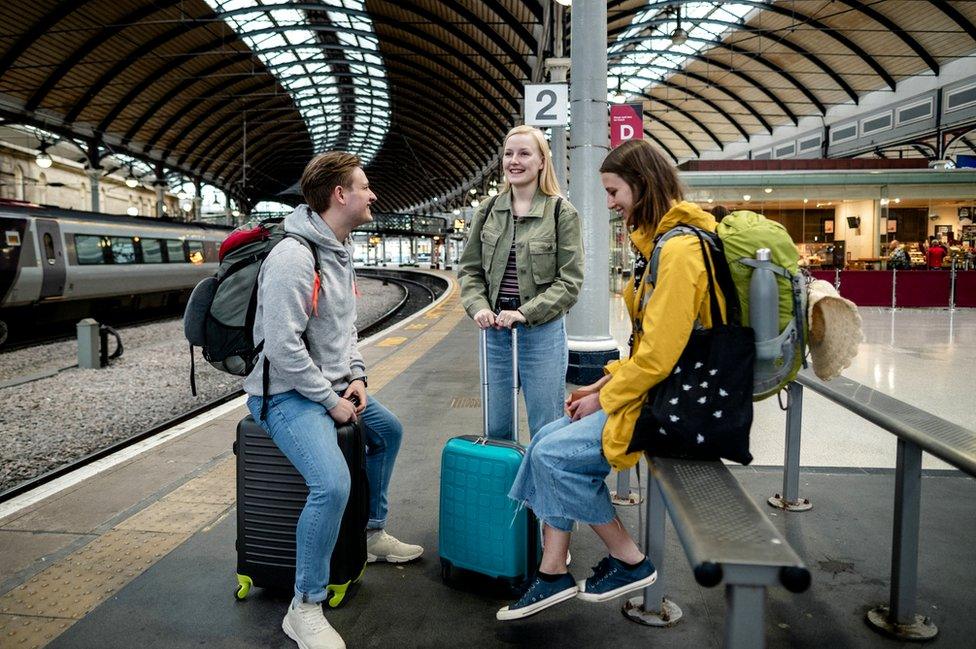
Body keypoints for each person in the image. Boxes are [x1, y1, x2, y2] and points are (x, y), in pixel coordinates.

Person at [497, 139, 731, 621]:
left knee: (555, 455)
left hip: (681, 406)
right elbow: (653, 350)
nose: (611, 203)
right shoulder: (663, 245)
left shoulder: (681, 252)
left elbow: (660, 358)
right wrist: (600, 388)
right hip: (661, 390)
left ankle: (629, 559)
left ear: (642, 186)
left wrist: (606, 401)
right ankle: (553, 570)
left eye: (614, 191)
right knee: (544, 437)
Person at [244, 152, 423, 649]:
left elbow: (344, 331)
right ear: (339, 195)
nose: (373, 195)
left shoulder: (339, 250)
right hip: (283, 394)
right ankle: (304, 606)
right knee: (332, 484)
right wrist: (330, 400)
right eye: (364, 187)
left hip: (330, 386)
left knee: (388, 432)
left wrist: (359, 379)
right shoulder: (293, 258)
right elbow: (281, 349)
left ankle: (371, 533)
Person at [457, 125, 583, 438]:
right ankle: (503, 486)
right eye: (509, 153)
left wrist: (526, 312)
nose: (515, 160)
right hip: (496, 334)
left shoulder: (560, 213)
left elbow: (570, 281)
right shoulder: (487, 211)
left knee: (546, 425)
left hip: (542, 334)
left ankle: (541, 488)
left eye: (524, 153)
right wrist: (477, 307)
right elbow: (470, 270)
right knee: (496, 425)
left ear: (542, 161)